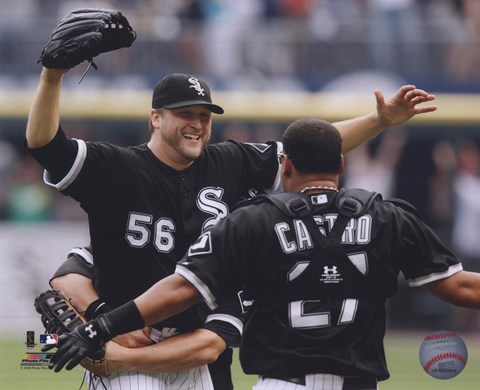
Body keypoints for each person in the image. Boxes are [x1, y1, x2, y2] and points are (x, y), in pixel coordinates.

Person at [26, 62, 436, 389]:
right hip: (125, 337)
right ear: (155, 117)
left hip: (196, 347)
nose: (198, 124)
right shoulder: (117, 167)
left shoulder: (231, 164)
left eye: (205, 116)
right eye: (185, 114)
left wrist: (379, 121)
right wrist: (52, 76)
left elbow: (313, 149)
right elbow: (47, 147)